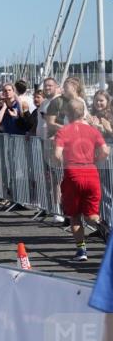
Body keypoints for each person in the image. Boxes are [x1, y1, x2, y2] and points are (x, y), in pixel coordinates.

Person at [54, 98, 109, 261]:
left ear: (68, 113)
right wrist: (97, 158)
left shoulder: (63, 131)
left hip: (73, 173)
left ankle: (82, 251)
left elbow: (57, 155)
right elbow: (106, 151)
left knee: (75, 215)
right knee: (92, 215)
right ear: (83, 112)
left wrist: (60, 161)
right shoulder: (93, 131)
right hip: (91, 172)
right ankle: (107, 232)